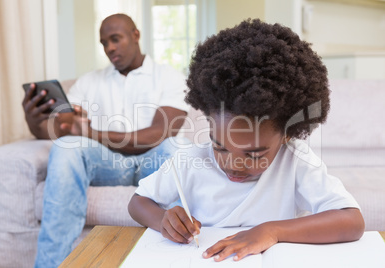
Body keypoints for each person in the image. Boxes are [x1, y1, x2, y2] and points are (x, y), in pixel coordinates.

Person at [128, 18, 365, 263]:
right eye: (220, 147)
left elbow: (352, 221)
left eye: (254, 154)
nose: (234, 164)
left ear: (287, 134)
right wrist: (162, 219)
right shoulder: (192, 160)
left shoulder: (295, 160)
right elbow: (138, 203)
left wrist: (271, 231)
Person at [22, 14, 189, 267]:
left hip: (154, 160)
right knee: (67, 146)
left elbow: (158, 134)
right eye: (104, 43)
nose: (109, 48)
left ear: (135, 35)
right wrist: (34, 119)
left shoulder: (170, 77)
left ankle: (182, 255)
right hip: (108, 164)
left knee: (173, 147)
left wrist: (91, 133)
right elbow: (61, 129)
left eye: (115, 39)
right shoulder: (89, 82)